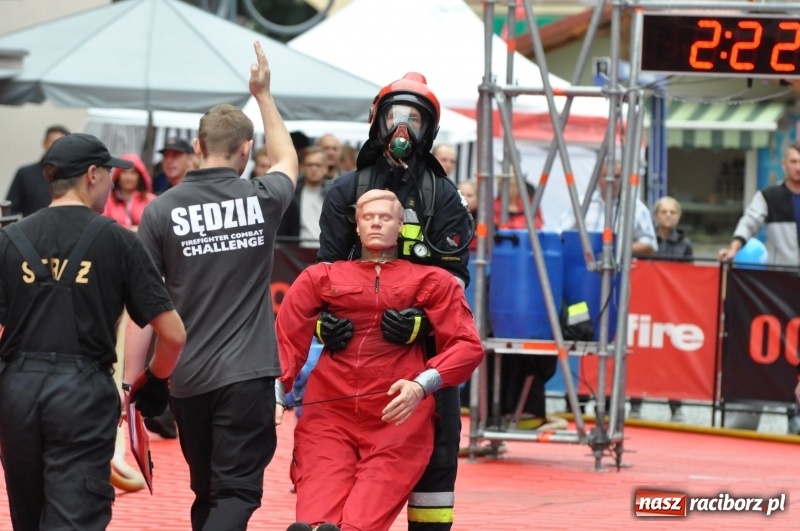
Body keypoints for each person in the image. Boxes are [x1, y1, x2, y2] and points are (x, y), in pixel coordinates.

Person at [124, 42, 298, 529]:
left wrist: (135, 382)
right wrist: (263, 96)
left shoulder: (159, 210)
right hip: (247, 376)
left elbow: (143, 307)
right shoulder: (262, 198)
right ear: (246, 150)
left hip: (187, 378)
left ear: (197, 149)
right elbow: (286, 158)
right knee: (235, 492)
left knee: (207, 494)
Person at [0, 132, 185, 530]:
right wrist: (154, 381)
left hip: (16, 392)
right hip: (81, 392)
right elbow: (173, 334)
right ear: (92, 175)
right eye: (110, 173)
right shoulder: (118, 241)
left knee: (27, 517)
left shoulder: (9, 240)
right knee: (76, 517)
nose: (114, 182)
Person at [317, 72, 473, 531]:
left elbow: (455, 279)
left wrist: (422, 322)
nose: (402, 129)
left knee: (437, 457)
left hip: (424, 355)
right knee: (345, 458)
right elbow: (324, 276)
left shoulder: (443, 196)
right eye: (394, 116)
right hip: (358, 358)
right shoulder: (345, 191)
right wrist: (324, 324)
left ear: (429, 130)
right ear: (377, 121)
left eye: (414, 119)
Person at [277, 190, 483, 531]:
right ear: (356, 226)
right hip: (329, 414)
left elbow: (468, 345)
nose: (375, 223)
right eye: (368, 217)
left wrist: (421, 385)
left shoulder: (433, 281)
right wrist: (275, 392)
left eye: (385, 217)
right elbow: (285, 338)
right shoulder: (321, 277)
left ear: (401, 226)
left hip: (397, 418)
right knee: (314, 517)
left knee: (363, 519)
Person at [560, 159, 657, 418]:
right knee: (578, 333)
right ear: (598, 178)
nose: (612, 181)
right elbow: (562, 234)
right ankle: (575, 398)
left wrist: (617, 248)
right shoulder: (582, 202)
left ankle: (609, 400)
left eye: (617, 176)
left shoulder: (635, 207)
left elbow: (650, 242)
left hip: (615, 284)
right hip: (580, 285)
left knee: (613, 340)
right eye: (607, 176)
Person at [719, 141, 800, 434]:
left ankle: (795, 414)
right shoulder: (769, 196)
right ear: (784, 164)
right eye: (794, 161)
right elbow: (749, 222)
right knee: (774, 351)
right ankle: (751, 418)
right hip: (780, 286)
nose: (798, 167)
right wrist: (733, 248)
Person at [653, 195, 692, 423]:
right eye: (664, 211)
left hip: (673, 310)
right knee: (644, 356)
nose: (668, 216)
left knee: (675, 358)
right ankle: (636, 403)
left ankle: (676, 407)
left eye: (673, 212)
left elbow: (691, 276)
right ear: (656, 215)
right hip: (649, 305)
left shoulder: (685, 245)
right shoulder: (647, 241)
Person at [5, 124, 69, 217]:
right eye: (53, 142)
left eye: (61, 143)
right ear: (44, 143)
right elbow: (10, 210)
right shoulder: (25, 174)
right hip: (30, 225)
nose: (57, 147)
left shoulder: (71, 176)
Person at [278, 146, 331, 247]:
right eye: (309, 165)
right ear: (302, 167)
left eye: (318, 165)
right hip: (298, 251)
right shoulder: (291, 194)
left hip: (327, 250)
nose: (314, 169)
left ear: (326, 168)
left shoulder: (334, 194)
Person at [101, 153, 157, 230]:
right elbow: (103, 225)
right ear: (118, 175)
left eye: (133, 172)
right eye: (124, 172)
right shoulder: (107, 200)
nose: (128, 177)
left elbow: (156, 226)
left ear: (140, 176)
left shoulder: (151, 200)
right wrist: (130, 229)